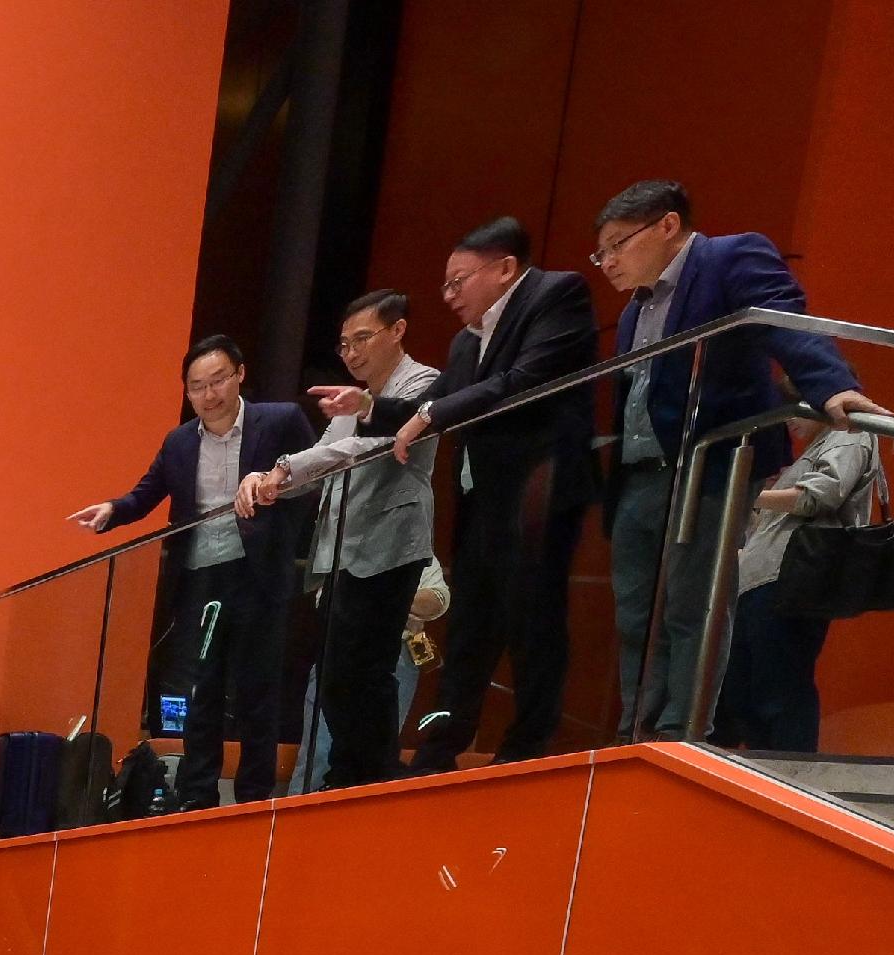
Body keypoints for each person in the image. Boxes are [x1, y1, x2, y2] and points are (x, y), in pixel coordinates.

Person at [585, 180, 880, 740]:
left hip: (710, 465)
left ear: (667, 226)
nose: (608, 262)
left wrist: (831, 385)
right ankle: (635, 730)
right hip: (639, 474)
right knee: (635, 615)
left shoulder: (729, 257)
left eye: (618, 244)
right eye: (601, 252)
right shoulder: (633, 312)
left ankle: (678, 733)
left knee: (691, 606)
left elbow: (784, 319)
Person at [67, 336, 318, 806]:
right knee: (202, 687)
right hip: (201, 577)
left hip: (258, 575)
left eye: (218, 379)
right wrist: (111, 510)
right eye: (197, 386)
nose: (209, 394)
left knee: (256, 690)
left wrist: (274, 498)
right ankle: (199, 795)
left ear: (240, 373)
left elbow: (313, 481)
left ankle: (253, 796)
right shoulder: (180, 441)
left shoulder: (280, 421)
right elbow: (146, 494)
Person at [390, 218, 600, 771]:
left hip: (538, 492)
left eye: (459, 281)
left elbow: (524, 381)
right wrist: (368, 409)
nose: (449, 296)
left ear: (505, 268)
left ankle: (526, 749)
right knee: (469, 627)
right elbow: (433, 400)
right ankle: (439, 750)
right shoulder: (466, 340)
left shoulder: (559, 295)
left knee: (533, 621)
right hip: (482, 501)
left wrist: (430, 413)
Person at [233, 288, 441, 788]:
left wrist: (281, 469)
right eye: (344, 345)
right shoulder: (355, 397)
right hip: (343, 552)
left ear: (398, 330)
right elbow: (322, 454)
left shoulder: (422, 382)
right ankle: (350, 776)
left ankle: (369, 777)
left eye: (361, 339)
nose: (351, 354)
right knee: (334, 678)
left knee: (365, 674)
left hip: (390, 547)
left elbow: (360, 447)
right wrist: (263, 478)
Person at [718, 407, 887, 750]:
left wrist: (749, 494)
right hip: (762, 577)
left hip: (792, 575)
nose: (789, 419)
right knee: (744, 690)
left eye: (797, 407)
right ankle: (766, 770)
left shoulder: (850, 434)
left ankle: (791, 774)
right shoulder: (814, 448)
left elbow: (820, 494)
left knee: (780, 688)